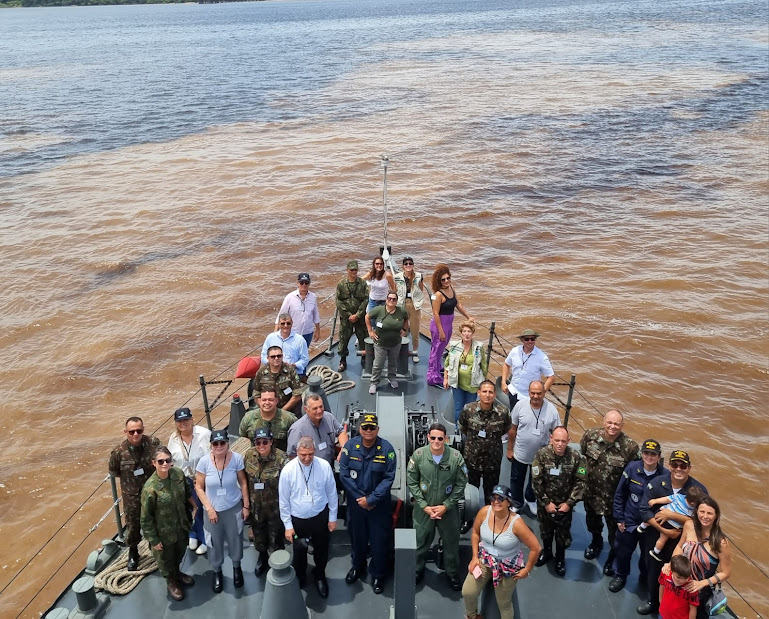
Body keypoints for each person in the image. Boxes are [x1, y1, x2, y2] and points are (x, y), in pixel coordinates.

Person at [637, 450, 708, 616]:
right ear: (669, 466)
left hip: (682, 543)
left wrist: (673, 516)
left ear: (689, 468)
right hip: (656, 534)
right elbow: (644, 509)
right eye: (675, 465)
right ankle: (653, 601)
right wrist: (664, 530)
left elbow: (703, 521)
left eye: (683, 466)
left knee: (676, 576)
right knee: (653, 569)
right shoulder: (657, 483)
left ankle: (675, 609)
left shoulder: (699, 491)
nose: (679, 469)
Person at [462, 485, 541, 619]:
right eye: (493, 497)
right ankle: (472, 616)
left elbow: (536, 548)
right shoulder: (484, 512)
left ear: (508, 502)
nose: (496, 501)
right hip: (485, 558)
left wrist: (527, 570)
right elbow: (475, 533)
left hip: (507, 565)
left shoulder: (516, 524)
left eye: (501, 499)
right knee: (468, 592)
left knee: (504, 603)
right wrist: (475, 557)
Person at [339, 413, 397, 594]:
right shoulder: (350, 447)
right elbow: (344, 474)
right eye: (365, 427)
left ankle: (378, 574)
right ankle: (358, 566)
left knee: (379, 541)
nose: (368, 431)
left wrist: (371, 500)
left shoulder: (387, 449)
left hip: (378, 506)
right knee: (358, 538)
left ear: (377, 429)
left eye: (372, 427)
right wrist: (360, 499)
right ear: (360, 429)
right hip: (356, 505)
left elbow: (389, 478)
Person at [406, 422, 468, 590]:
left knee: (451, 542)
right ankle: (417, 570)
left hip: (447, 511)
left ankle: (452, 573)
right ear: (428, 437)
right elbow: (412, 482)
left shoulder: (455, 458)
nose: (436, 441)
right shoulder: (418, 456)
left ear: (445, 439)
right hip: (424, 510)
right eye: (433, 438)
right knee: (420, 541)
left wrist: (446, 505)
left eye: (440, 438)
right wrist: (423, 505)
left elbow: (461, 484)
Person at [580, 409, 640, 577]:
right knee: (593, 522)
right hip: (592, 494)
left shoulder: (630, 447)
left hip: (615, 500)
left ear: (622, 425)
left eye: (616, 424)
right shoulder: (590, 436)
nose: (612, 427)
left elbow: (637, 472)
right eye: (609, 422)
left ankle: (612, 557)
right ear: (604, 421)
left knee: (615, 533)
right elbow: (582, 459)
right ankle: (596, 542)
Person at [278, 436, 338, 598]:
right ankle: (300, 576)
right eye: (303, 455)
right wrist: (288, 526)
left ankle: (320, 575)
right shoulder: (288, 471)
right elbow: (283, 501)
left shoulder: (324, 466)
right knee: (299, 551)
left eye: (310, 454)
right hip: (298, 520)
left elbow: (332, 493)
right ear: (297, 452)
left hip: (320, 517)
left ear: (314, 451)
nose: (307, 458)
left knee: (321, 550)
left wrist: (333, 517)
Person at [195, 429, 249, 593]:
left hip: (233, 508)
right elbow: (198, 486)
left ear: (228, 443)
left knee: (235, 538)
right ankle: (217, 571)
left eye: (222, 443)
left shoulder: (237, 459)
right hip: (212, 512)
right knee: (214, 542)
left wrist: (246, 505)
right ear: (211, 445)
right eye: (215, 443)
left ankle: (236, 568)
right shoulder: (204, 462)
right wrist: (209, 509)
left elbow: (243, 482)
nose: (219, 446)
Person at [609, 438, 666, 592]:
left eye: (653, 454)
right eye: (646, 453)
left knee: (648, 555)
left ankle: (644, 577)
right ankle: (620, 575)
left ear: (659, 457)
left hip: (652, 524)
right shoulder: (632, 468)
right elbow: (620, 493)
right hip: (630, 520)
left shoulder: (665, 476)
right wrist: (619, 517)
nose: (649, 457)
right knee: (622, 550)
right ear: (642, 454)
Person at [140, 446, 197, 601]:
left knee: (179, 553)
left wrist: (195, 505)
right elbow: (146, 518)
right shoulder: (150, 488)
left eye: (168, 460)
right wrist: (154, 539)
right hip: (164, 533)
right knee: (166, 559)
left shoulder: (177, 473)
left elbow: (186, 491)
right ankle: (171, 581)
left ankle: (177, 573)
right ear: (154, 463)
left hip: (181, 526)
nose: (165, 463)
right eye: (161, 461)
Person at [457, 379, 513, 532]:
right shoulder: (468, 409)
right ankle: (469, 519)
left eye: (490, 392)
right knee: (470, 492)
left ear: (494, 394)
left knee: (491, 493)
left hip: (492, 461)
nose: (487, 395)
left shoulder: (502, 412)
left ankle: (489, 518)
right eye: (484, 392)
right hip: (472, 460)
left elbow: (505, 429)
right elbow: (463, 427)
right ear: (479, 393)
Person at [530, 426, 587, 577]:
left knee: (562, 535)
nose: (560, 444)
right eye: (557, 440)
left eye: (563, 441)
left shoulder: (576, 457)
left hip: (565, 506)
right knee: (546, 531)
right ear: (551, 439)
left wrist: (569, 503)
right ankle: (547, 553)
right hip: (546, 505)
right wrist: (546, 502)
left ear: (568, 440)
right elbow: (536, 480)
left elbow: (580, 482)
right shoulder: (541, 455)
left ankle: (560, 560)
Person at [108, 416, 160, 571]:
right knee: (133, 525)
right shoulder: (118, 452)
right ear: (126, 432)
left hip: (153, 491)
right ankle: (133, 552)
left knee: (156, 519)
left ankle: (156, 547)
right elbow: (114, 471)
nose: (136, 434)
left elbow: (162, 460)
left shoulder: (153, 443)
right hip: (132, 496)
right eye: (132, 431)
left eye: (139, 430)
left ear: (143, 429)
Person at [668, 496, 732, 619]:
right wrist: (672, 564)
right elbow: (680, 546)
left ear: (716, 516)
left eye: (709, 513)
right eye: (702, 512)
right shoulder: (689, 525)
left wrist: (702, 583)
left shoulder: (720, 542)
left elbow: (726, 572)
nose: (705, 516)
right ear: (696, 511)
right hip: (679, 584)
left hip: (699, 593)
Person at [506, 380, 561, 514]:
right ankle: (517, 502)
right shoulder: (520, 406)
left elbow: (557, 431)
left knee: (535, 480)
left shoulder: (552, 410)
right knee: (516, 479)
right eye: (533, 393)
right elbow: (512, 429)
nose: (536, 396)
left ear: (544, 393)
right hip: (520, 453)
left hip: (540, 456)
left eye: (539, 393)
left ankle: (530, 499)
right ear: (529, 393)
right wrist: (509, 449)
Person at [244, 427, 289, 576]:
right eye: (258, 442)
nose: (261, 445)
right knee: (259, 536)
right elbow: (243, 479)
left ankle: (278, 562)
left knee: (276, 538)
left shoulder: (281, 458)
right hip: (256, 507)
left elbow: (290, 484)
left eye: (265, 442)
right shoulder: (249, 456)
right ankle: (262, 558)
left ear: (271, 442)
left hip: (275, 508)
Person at [167, 407, 211, 556]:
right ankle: (193, 535)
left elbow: (211, 456)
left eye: (186, 419)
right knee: (186, 509)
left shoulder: (204, 434)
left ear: (192, 419)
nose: (183, 423)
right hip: (181, 480)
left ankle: (204, 539)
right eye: (180, 420)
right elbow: (170, 461)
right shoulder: (173, 439)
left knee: (200, 509)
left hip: (200, 478)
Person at [426, 264, 474, 387]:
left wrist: (468, 316)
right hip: (439, 325)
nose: (447, 281)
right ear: (439, 281)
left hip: (449, 323)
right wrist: (441, 331)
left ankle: (437, 367)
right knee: (436, 350)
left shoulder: (451, 288)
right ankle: (433, 376)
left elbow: (458, 304)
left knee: (441, 348)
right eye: (443, 279)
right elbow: (436, 314)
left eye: (448, 278)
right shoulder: (438, 295)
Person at [644, 486, 706, 562]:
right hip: (672, 525)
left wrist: (655, 501)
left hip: (662, 512)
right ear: (693, 503)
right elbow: (694, 522)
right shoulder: (693, 510)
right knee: (662, 539)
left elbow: (666, 499)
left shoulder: (678, 496)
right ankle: (655, 552)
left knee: (653, 518)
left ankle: (642, 526)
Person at [286, 393, 348, 467]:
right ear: (306, 409)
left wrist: (343, 449)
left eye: (321, 407)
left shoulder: (329, 418)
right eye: (315, 408)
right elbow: (291, 455)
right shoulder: (297, 430)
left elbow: (341, 431)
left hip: (329, 466)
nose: (319, 411)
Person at [443, 321, 488, 423]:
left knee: (470, 409)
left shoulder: (479, 347)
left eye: (469, 331)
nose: (466, 334)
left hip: (472, 385)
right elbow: (447, 364)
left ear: (473, 333)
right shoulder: (454, 346)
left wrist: (484, 385)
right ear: (461, 332)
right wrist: (446, 378)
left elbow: (484, 366)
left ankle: (468, 430)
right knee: (458, 408)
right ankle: (457, 429)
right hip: (457, 383)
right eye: (464, 331)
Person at [500, 329, 555, 411]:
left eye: (532, 339)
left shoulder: (542, 357)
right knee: (512, 416)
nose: (530, 341)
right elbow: (506, 364)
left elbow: (551, 377)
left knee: (525, 420)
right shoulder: (515, 351)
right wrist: (503, 382)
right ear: (522, 340)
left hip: (528, 397)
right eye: (527, 339)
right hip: (513, 391)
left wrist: (541, 392)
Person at [366, 291, 409, 394]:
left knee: (393, 362)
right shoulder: (378, 310)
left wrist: (404, 329)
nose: (391, 300)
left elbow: (406, 318)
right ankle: (374, 382)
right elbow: (367, 317)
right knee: (378, 364)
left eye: (394, 299)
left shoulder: (401, 311)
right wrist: (370, 331)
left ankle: (392, 378)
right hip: (381, 344)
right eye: (389, 298)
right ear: (386, 299)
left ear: (396, 301)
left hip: (395, 343)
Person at [335, 259, 369, 372]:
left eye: (356, 269)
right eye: (352, 270)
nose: (354, 272)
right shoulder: (341, 284)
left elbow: (365, 299)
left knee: (363, 338)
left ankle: (364, 358)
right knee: (343, 339)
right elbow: (338, 301)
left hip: (360, 318)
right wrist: (349, 315)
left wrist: (358, 314)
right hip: (346, 319)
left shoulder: (362, 283)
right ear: (347, 270)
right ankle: (343, 360)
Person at [251, 345, 305, 412]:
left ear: (282, 356)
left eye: (279, 356)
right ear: (268, 358)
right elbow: (256, 394)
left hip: (289, 411)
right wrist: (265, 408)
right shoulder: (261, 373)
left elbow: (297, 394)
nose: (276, 358)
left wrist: (281, 411)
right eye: (273, 357)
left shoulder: (290, 370)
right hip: (268, 410)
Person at [394, 256, 426, 362]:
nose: (408, 265)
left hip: (414, 305)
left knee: (415, 329)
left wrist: (418, 301)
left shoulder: (418, 276)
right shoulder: (397, 277)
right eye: (406, 264)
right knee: (402, 328)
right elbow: (394, 289)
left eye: (410, 263)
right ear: (403, 266)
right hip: (402, 304)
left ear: (413, 265)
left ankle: (415, 352)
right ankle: (402, 350)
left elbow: (421, 290)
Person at [275, 272, 320, 348]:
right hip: (293, 333)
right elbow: (281, 315)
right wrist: (275, 333)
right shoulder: (289, 297)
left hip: (308, 333)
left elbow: (316, 315)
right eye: (301, 283)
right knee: (291, 355)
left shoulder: (313, 297)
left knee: (304, 354)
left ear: (309, 284)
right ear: (297, 283)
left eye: (306, 283)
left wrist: (318, 331)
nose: (304, 285)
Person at [659, 555, 700, 619]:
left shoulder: (691, 588)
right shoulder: (665, 574)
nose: (682, 581)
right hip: (663, 614)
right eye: (678, 577)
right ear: (672, 571)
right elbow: (662, 586)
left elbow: (693, 609)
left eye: (686, 578)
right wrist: (661, 603)